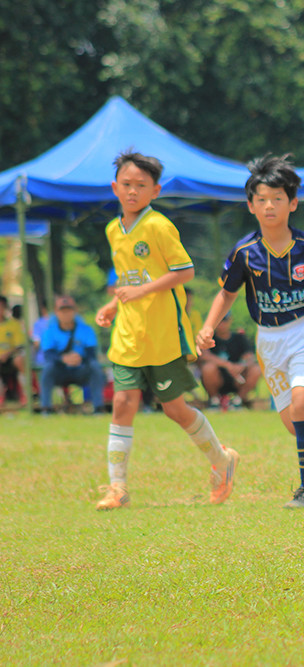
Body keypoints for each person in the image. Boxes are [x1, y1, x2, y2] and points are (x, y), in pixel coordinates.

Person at [197, 153, 304, 509]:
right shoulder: (244, 252)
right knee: (297, 423)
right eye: (261, 199)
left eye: (277, 198)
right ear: (250, 205)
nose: (269, 206)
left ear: (292, 203)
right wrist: (208, 326)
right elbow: (227, 292)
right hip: (269, 339)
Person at [94, 150, 238, 511]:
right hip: (128, 334)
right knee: (123, 403)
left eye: (141, 186)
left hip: (163, 336)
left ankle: (222, 460)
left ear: (155, 191)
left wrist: (140, 292)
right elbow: (127, 279)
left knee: (175, 409)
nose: (132, 191)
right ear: (115, 187)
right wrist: (114, 304)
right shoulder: (114, 229)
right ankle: (117, 488)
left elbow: (184, 272)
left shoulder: (158, 226)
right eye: (126, 185)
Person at [38, 295, 106, 414]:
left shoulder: (86, 330)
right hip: (60, 370)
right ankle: (46, 408)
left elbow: (91, 353)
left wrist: (79, 359)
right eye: (62, 311)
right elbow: (48, 354)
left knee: (95, 367)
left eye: (68, 310)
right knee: (48, 369)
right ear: (56, 312)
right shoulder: (50, 331)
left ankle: (98, 407)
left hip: (81, 369)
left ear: (75, 311)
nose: (66, 314)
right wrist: (63, 359)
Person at [199, 312, 261, 409]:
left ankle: (238, 401)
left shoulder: (239, 338)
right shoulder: (210, 339)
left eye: (224, 320)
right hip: (218, 378)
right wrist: (227, 365)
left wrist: (241, 366)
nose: (222, 324)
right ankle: (215, 400)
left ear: (230, 320)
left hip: (238, 378)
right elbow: (204, 355)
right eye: (219, 321)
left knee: (256, 369)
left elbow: (249, 357)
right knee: (208, 368)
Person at [0, 295, 27, 409]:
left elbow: (19, 345)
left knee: (20, 360)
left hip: (10, 357)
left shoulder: (14, 324)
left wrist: (7, 353)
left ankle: (27, 394)